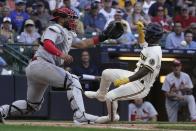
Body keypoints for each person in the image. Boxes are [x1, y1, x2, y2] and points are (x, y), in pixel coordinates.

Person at [0, 7, 124, 124]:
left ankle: (2, 111)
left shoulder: (67, 33)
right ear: (61, 18)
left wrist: (103, 36)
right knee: (73, 80)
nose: (73, 21)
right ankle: (80, 115)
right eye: (70, 18)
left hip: (39, 68)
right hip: (41, 64)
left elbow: (82, 44)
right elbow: (48, 43)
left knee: (32, 105)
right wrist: (61, 55)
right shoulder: (55, 28)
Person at [85, 22, 164, 123]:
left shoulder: (155, 52)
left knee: (110, 97)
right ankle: (100, 94)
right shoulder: (150, 44)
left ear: (153, 36)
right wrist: (140, 33)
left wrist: (127, 80)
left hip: (141, 86)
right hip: (135, 76)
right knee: (106, 73)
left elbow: (145, 71)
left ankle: (112, 118)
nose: (146, 34)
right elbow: (142, 43)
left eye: (148, 33)